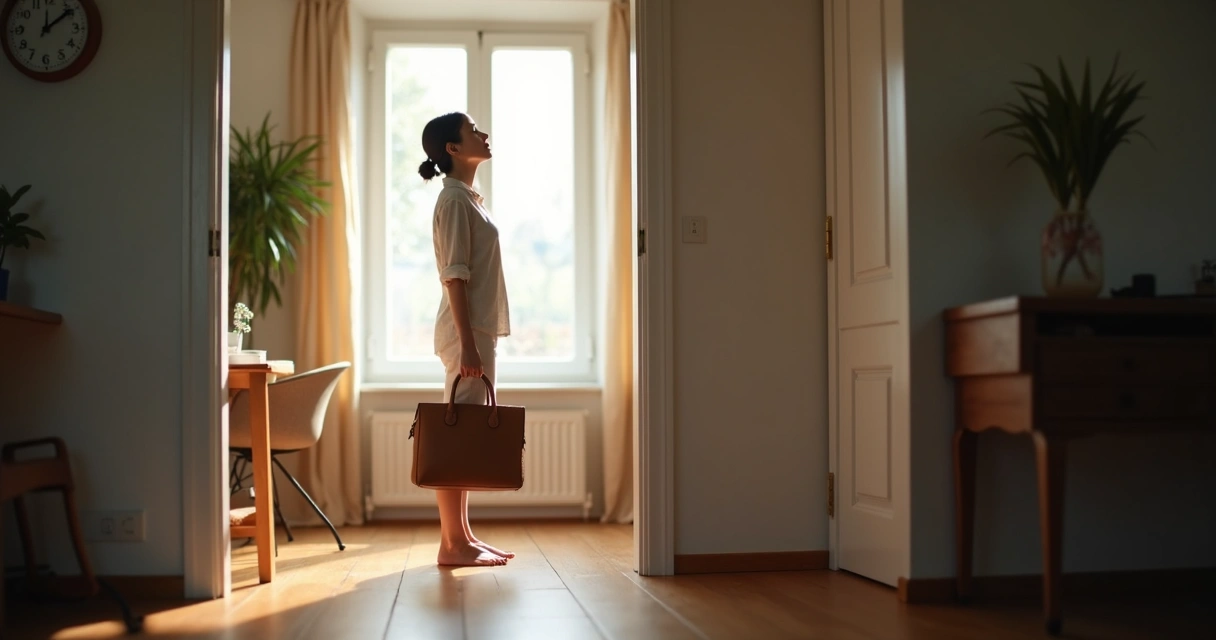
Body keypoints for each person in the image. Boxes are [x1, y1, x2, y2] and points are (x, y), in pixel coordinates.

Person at [418, 112, 513, 567]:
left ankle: (463, 537)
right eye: (474, 130)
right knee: (458, 432)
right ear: (453, 148)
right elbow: (453, 277)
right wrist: (469, 345)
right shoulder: (455, 202)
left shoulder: (467, 198)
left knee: (466, 431)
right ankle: (452, 544)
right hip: (466, 333)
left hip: (474, 331)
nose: (484, 134)